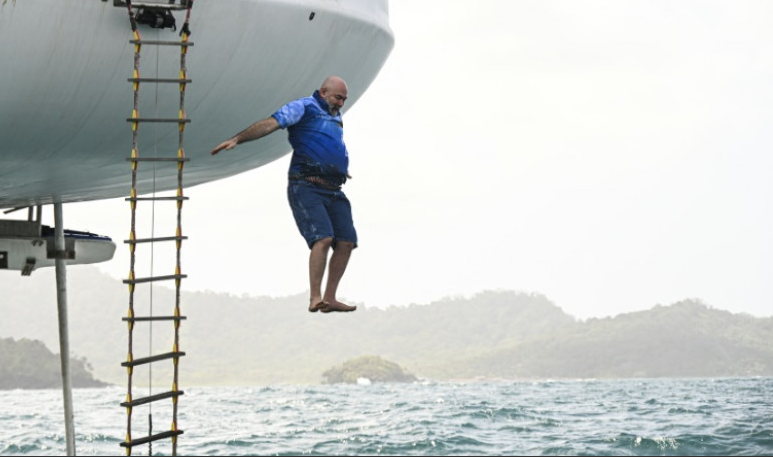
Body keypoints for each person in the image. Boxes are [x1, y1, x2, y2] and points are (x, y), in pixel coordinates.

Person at [211, 76, 357, 314]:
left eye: (344, 99)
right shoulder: (304, 106)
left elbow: (327, 143)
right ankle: (315, 297)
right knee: (323, 238)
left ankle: (330, 298)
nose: (341, 103)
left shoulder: (335, 115)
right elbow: (271, 123)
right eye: (338, 97)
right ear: (323, 92)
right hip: (306, 185)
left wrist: (338, 167)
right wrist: (238, 138)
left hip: (334, 187)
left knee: (347, 241)